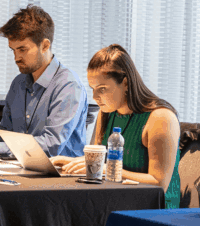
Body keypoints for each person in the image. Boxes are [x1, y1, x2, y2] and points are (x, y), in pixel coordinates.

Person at [52, 44, 183, 207]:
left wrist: (109, 170)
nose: (95, 97)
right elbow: (101, 164)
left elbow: (159, 183)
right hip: (116, 201)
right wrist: (69, 162)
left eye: (102, 89)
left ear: (126, 83)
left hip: (154, 211)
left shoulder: (161, 118)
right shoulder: (106, 113)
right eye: (93, 89)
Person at [0, 5, 88, 158]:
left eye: (22, 49)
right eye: (13, 50)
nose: (16, 58)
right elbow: (4, 133)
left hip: (58, 175)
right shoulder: (18, 83)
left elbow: (51, 145)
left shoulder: (68, 86)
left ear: (45, 46)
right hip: (19, 170)